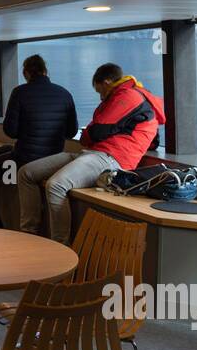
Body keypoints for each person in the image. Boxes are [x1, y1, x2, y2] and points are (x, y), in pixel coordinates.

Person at [19, 62, 165, 242]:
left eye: (100, 91)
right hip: (92, 154)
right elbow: (95, 134)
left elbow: (96, 131)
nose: (101, 97)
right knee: (26, 173)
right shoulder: (125, 98)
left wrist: (92, 133)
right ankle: (28, 234)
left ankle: (60, 247)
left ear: (106, 82)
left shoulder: (128, 96)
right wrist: (93, 134)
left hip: (111, 159)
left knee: (56, 185)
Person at [0, 54, 76, 228]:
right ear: (45, 71)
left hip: (24, 160)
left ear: (26, 73)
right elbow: (72, 131)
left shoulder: (20, 92)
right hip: (53, 160)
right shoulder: (65, 94)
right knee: (6, 150)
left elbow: (10, 131)